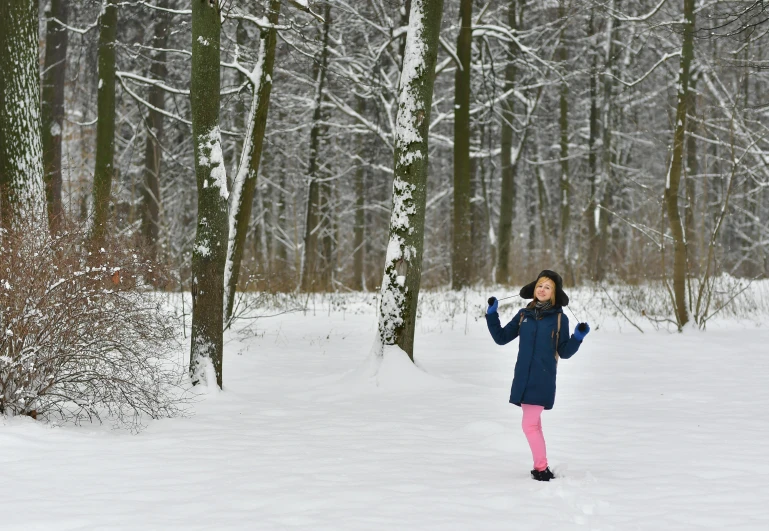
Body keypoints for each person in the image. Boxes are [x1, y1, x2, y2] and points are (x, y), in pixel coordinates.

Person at [486, 270, 590, 481]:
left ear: (554, 293)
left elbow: (565, 351)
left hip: (542, 378)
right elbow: (501, 337)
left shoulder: (560, 318)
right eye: (539, 285)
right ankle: (541, 466)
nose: (542, 289)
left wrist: (577, 337)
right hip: (522, 378)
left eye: (547, 287)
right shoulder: (524, 314)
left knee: (529, 425)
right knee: (534, 425)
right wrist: (491, 314)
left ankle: (541, 468)